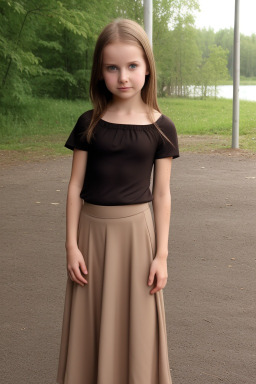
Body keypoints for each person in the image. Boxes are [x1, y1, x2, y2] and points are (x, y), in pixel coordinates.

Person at [56, 18, 179, 384]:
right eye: (112, 67)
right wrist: (71, 246)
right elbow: (75, 186)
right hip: (91, 238)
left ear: (147, 69)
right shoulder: (88, 123)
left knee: (137, 326)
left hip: (138, 240)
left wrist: (161, 255)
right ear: (100, 72)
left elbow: (162, 194)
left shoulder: (161, 127)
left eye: (131, 66)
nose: (122, 76)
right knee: (90, 324)